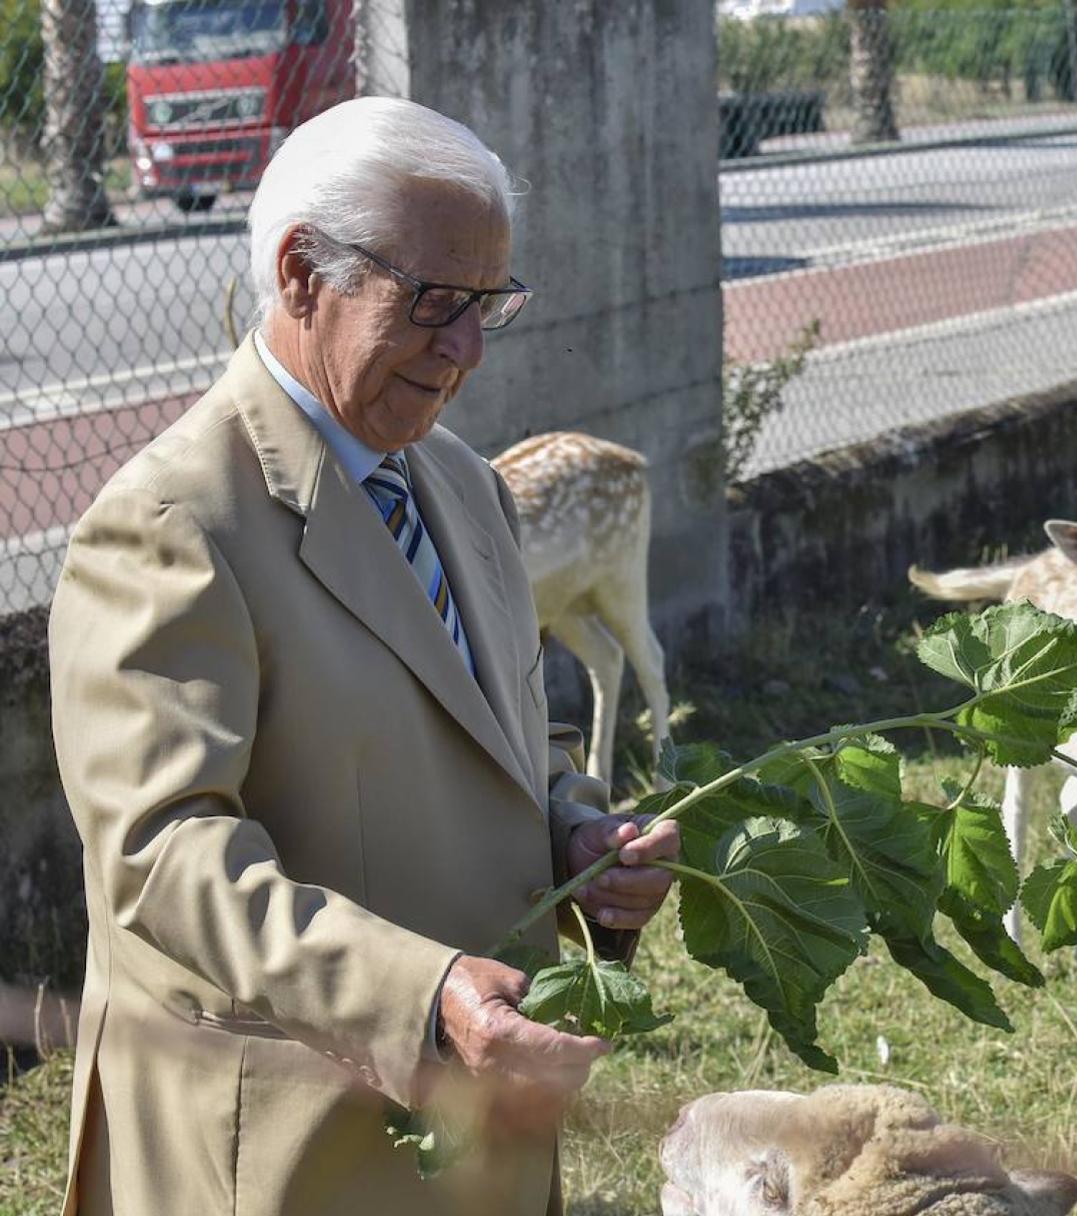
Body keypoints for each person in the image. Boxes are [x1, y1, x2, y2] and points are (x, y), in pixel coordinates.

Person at [47, 96, 679, 1216]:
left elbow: (498, 742)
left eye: (491, 305)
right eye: (436, 301)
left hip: (470, 1135)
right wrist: (422, 992)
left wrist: (577, 828)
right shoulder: (170, 521)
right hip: (292, 1154)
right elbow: (162, 857)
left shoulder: (465, 488)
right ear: (300, 276)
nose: (470, 350)